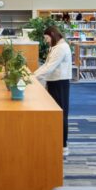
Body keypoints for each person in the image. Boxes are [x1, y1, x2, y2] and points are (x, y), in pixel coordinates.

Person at [34, 26, 72, 155]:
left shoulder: (61, 48)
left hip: (60, 83)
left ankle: (63, 146)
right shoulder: (55, 47)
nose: (46, 41)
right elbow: (45, 65)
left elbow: (50, 67)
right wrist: (33, 75)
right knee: (54, 114)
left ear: (52, 34)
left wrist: (33, 77)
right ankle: (56, 142)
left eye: (46, 38)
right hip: (53, 82)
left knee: (61, 115)